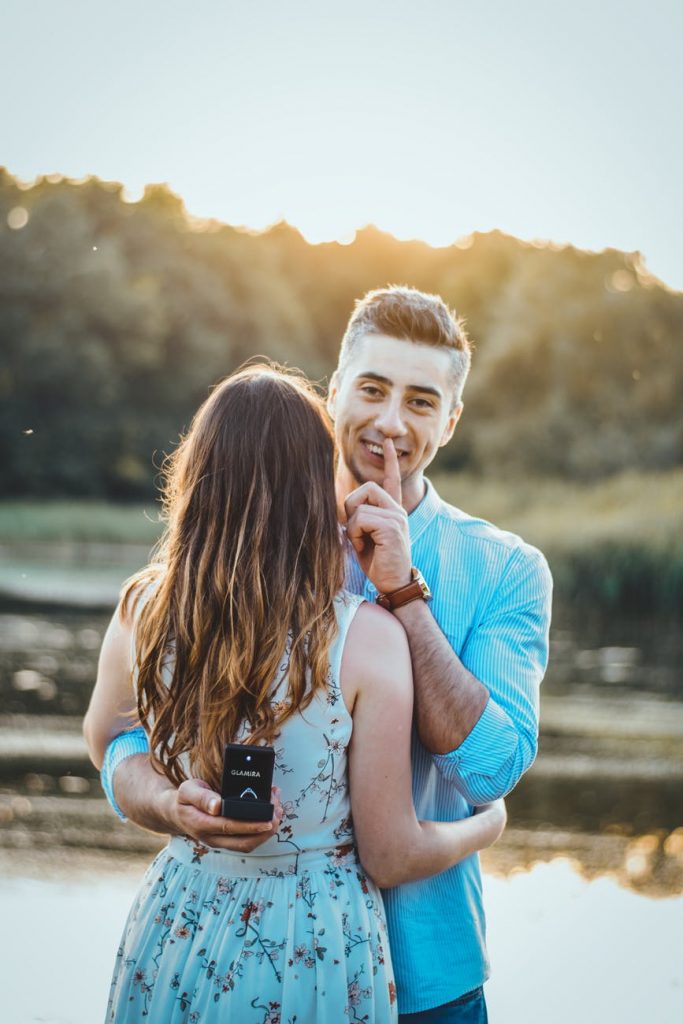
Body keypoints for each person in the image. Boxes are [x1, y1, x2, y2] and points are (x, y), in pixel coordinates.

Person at [96, 286, 553, 1022]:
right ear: (333, 391)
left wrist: (403, 592)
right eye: (372, 389)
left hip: (430, 978)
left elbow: (492, 768)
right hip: (243, 962)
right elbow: (123, 734)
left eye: (420, 401)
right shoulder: (236, 549)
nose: (390, 422)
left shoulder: (505, 568)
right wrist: (162, 800)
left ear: (450, 419)